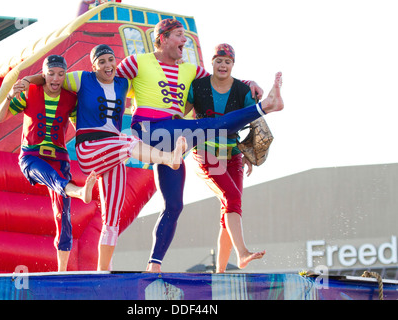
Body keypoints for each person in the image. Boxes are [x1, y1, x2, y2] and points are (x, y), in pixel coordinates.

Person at [116, 18, 284, 272]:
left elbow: (223, 80)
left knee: (174, 205)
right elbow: (108, 82)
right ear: (162, 38)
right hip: (150, 130)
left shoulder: (191, 71)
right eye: (179, 35)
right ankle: (266, 107)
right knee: (208, 127)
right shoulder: (137, 61)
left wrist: (250, 84)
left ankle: (154, 265)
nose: (185, 41)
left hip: (174, 141)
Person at [21, 45, 187, 271]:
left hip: (113, 151)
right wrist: (26, 82)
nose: (108, 65)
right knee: (128, 143)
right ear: (93, 65)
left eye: (111, 60)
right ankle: (168, 159)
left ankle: (103, 271)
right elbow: (49, 78)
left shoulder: (123, 83)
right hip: (90, 147)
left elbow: (151, 90)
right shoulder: (82, 79)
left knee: (111, 221)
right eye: (102, 62)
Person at [0, 55, 97, 272]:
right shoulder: (30, 93)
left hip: (59, 158)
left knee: (63, 216)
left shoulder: (71, 99)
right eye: (51, 74)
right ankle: (78, 192)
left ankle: (62, 271)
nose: (56, 78)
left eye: (61, 74)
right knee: (53, 178)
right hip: (31, 157)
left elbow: (80, 127)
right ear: (44, 74)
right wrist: (9, 95)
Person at [185, 43, 266, 273]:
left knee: (229, 208)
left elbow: (255, 121)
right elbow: (180, 112)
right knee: (231, 197)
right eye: (219, 60)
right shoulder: (198, 86)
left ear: (233, 65)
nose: (223, 65)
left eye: (227, 61)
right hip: (206, 150)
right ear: (212, 62)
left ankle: (220, 272)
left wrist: (249, 152)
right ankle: (242, 253)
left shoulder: (242, 90)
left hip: (232, 153)